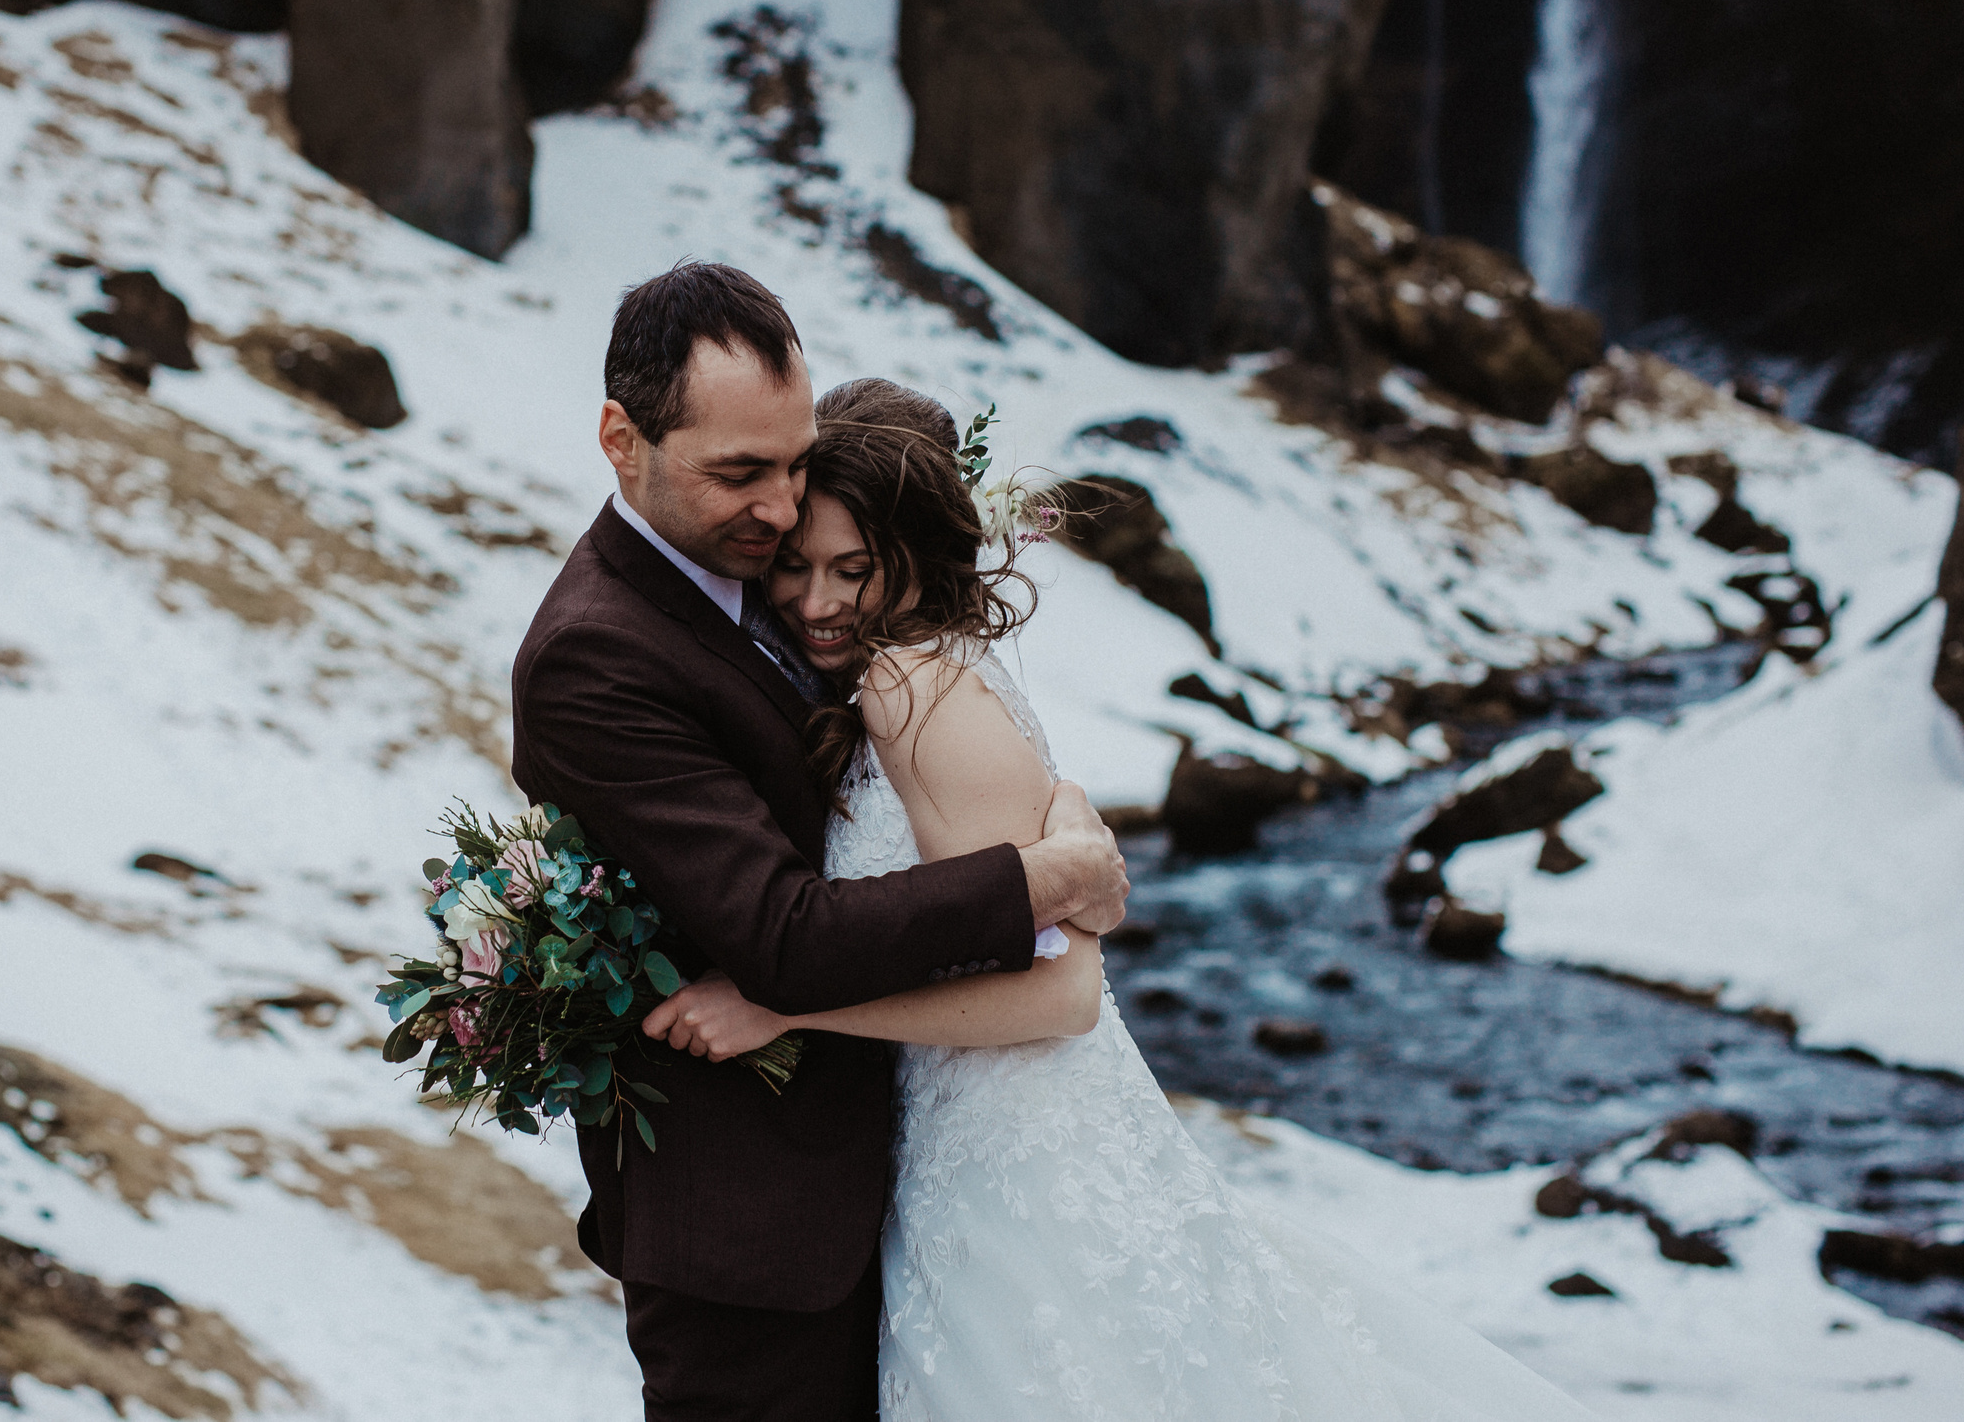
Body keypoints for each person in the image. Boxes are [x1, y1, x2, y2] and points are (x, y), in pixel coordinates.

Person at [642, 377, 1603, 1421]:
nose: (818, 601)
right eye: (795, 566)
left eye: (852, 569)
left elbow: (1057, 996)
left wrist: (783, 1005)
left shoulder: (906, 689)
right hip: (968, 1153)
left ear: (914, 558)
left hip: (1022, 1166)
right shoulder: (904, 674)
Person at [509, 263, 1131, 1421]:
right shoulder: (597, 656)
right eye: (740, 474)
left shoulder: (782, 589)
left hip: (887, 1199)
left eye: (795, 465)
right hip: (750, 1238)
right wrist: (1041, 878)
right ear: (620, 439)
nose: (784, 511)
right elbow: (784, 937)